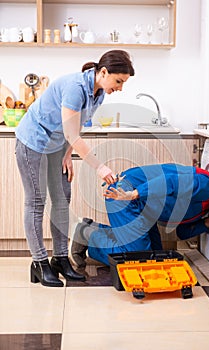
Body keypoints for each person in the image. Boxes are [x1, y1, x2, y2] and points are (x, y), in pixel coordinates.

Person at [15, 50, 135, 287]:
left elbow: (74, 129)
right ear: (103, 72)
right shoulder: (74, 87)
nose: (120, 87)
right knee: (37, 201)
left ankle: (60, 258)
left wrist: (68, 153)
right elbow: (70, 131)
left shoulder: (98, 93)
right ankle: (39, 262)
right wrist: (100, 168)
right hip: (33, 141)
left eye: (123, 83)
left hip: (57, 145)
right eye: (118, 81)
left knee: (62, 199)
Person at [71, 163, 209, 267]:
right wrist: (133, 195)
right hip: (124, 193)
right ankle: (86, 235)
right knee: (138, 258)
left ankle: (92, 228)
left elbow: (182, 231)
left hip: (142, 205)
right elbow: (169, 182)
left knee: (156, 257)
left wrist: (206, 223)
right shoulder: (208, 186)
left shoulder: (205, 208)